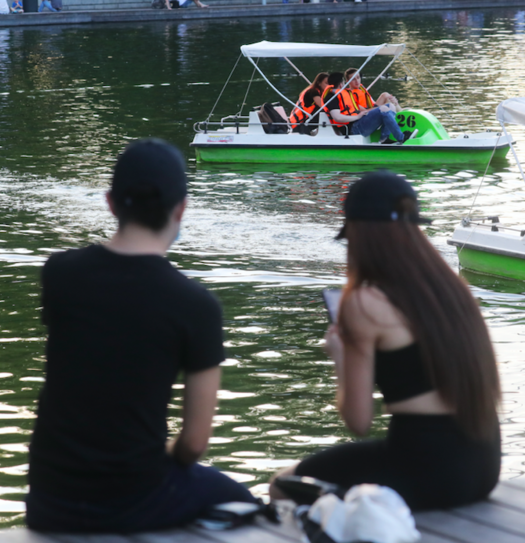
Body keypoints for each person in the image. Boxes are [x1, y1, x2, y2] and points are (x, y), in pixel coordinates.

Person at [25, 139, 256, 533]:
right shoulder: (196, 305)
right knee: (247, 504)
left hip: (50, 498)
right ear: (181, 209)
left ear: (111, 203)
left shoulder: (59, 273)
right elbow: (194, 444)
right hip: (132, 498)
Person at [269, 171, 501, 510]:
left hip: (426, 470)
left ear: (359, 235)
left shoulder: (363, 303)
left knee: (282, 484)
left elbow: (359, 421)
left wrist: (339, 356)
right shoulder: (451, 290)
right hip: (485, 465)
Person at [323, 73, 408, 145]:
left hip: (359, 122)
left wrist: (362, 113)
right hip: (353, 129)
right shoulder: (332, 97)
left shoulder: (345, 95)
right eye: (344, 82)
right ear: (341, 84)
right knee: (383, 109)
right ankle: (401, 138)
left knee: (390, 106)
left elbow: (358, 110)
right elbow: (337, 117)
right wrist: (357, 117)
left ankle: (384, 138)